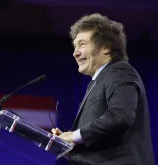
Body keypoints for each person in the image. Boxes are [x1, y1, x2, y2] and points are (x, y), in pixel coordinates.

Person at [51, 13, 155, 165]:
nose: (75, 52)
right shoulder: (98, 81)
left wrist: (74, 136)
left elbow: (120, 116)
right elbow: (101, 138)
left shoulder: (120, 71)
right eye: (75, 46)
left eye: (82, 44)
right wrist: (69, 142)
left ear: (106, 47)